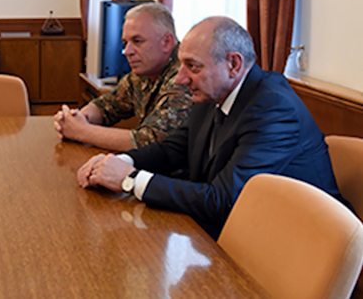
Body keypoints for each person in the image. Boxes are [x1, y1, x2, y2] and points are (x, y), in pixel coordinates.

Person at [77, 16, 345, 239]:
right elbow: (173, 149)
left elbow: (223, 201)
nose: (181, 79)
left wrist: (130, 179)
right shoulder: (213, 92)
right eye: (181, 64)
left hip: (299, 243)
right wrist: (114, 162)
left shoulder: (273, 109)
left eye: (192, 66)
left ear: (233, 64)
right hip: (246, 229)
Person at [54, 2, 193, 151]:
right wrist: (78, 118)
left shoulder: (184, 76)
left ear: (166, 42)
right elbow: (108, 105)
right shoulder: (144, 72)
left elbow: (150, 141)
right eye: (125, 43)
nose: (127, 51)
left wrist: (81, 131)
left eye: (137, 41)